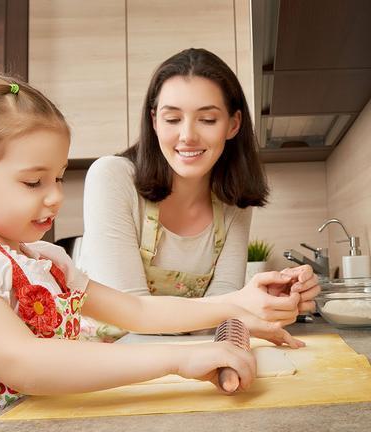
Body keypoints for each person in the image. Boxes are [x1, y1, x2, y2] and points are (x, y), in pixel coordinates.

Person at [0, 72, 306, 432]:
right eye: (34, 182)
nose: (55, 196)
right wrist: (181, 357)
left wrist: (234, 307)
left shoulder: (45, 259)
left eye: (56, 177)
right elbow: (24, 362)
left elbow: (137, 312)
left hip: (32, 429)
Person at [78, 48, 319, 340]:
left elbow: (220, 311)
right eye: (172, 119)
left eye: (207, 119)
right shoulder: (113, 178)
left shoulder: (234, 202)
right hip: (106, 368)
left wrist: (260, 300)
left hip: (187, 363)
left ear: (233, 124)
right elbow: (130, 316)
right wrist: (239, 304)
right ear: (154, 122)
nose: (188, 135)